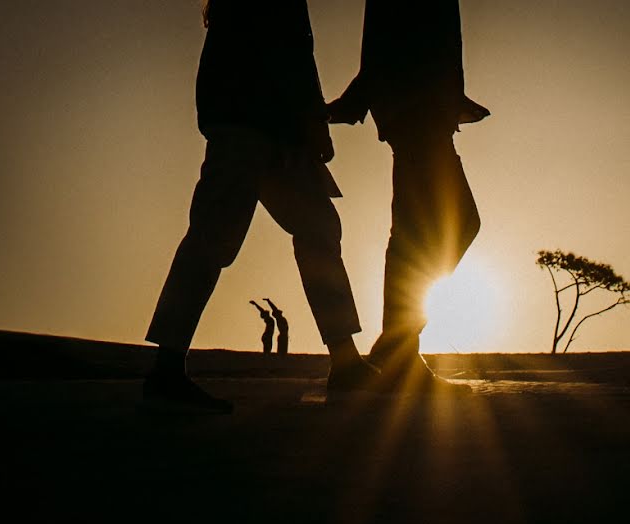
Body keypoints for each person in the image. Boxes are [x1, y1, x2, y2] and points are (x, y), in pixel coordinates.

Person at [142, 1, 381, 414]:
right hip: (249, 124)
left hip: (266, 126)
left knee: (317, 227)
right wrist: (308, 124)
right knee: (212, 237)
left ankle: (345, 359)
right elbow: (284, 50)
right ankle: (166, 368)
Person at [327, 0, 490, 393]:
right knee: (435, 229)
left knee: (422, 231)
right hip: (418, 114)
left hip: (425, 113)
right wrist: (353, 102)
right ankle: (398, 349)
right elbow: (382, 46)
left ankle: (398, 347)